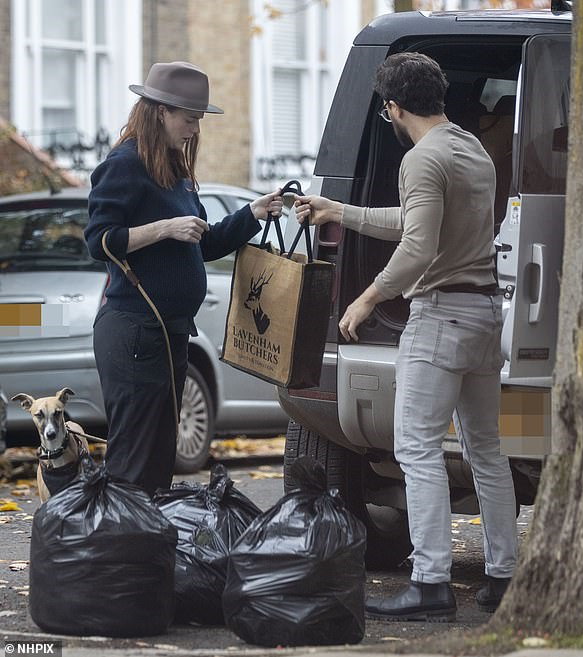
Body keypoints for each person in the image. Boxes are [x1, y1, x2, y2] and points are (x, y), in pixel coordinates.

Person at [294, 52, 517, 621]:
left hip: (441, 316)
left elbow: (417, 246)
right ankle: (503, 576)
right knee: (486, 450)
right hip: (486, 312)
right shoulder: (471, 149)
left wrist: (367, 298)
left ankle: (430, 581)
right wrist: (339, 211)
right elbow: (418, 222)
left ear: (392, 107)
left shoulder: (421, 158)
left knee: (415, 447)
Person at [85, 61, 282, 496]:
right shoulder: (124, 164)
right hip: (134, 331)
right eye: (189, 118)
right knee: (133, 459)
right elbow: (97, 241)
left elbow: (204, 245)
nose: (195, 128)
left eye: (198, 119)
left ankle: (147, 553)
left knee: (159, 458)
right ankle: (118, 556)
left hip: (169, 334)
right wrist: (164, 228)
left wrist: (253, 213)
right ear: (160, 112)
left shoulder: (173, 171)